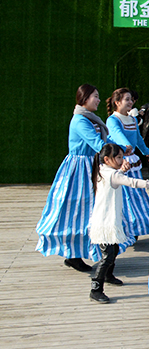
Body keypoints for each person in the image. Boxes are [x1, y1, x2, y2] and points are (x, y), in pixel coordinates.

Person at [36, 84, 111, 271]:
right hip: (79, 170)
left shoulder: (90, 119)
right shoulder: (80, 120)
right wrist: (115, 155)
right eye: (95, 96)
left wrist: (118, 149)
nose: (99, 99)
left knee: (89, 210)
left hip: (91, 167)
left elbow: (104, 142)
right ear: (84, 98)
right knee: (77, 211)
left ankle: (83, 252)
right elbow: (97, 144)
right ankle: (73, 254)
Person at [89, 143, 149, 303]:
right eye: (118, 157)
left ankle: (109, 276)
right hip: (105, 223)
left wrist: (119, 170)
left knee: (114, 249)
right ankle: (96, 288)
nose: (121, 159)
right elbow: (132, 182)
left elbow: (117, 176)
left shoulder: (102, 170)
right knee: (107, 256)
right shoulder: (113, 175)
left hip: (104, 220)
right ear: (107, 159)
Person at [106, 88, 149, 240]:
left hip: (132, 162)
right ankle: (122, 228)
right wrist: (126, 147)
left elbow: (138, 138)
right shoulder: (113, 120)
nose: (131, 102)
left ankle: (134, 228)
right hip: (119, 162)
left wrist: (147, 151)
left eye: (131, 100)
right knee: (123, 197)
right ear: (117, 102)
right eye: (127, 100)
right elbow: (117, 134)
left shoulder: (132, 119)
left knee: (136, 195)